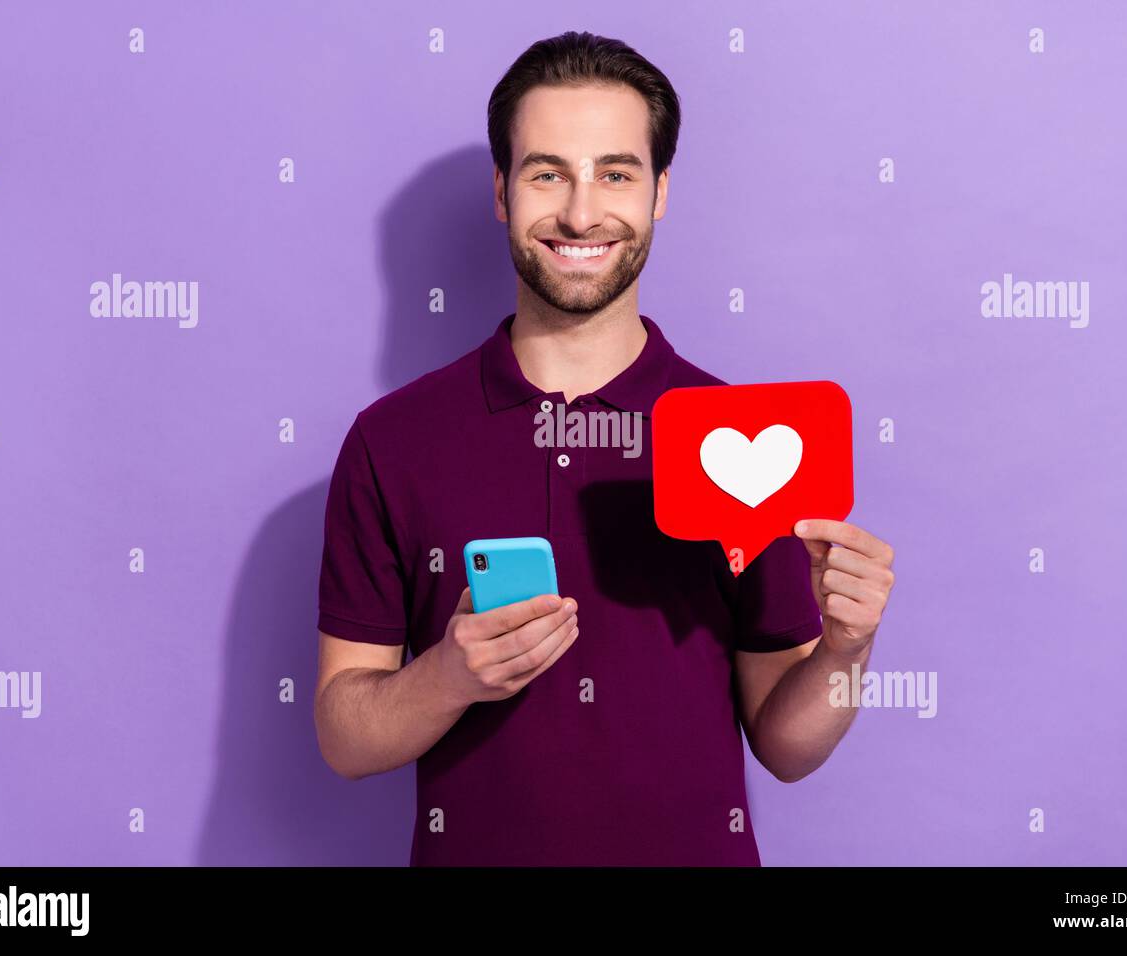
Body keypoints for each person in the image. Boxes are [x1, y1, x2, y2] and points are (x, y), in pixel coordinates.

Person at [314, 30, 895, 866]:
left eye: (615, 173)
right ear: (501, 192)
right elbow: (343, 736)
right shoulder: (392, 440)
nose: (581, 213)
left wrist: (848, 651)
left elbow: (788, 747)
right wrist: (447, 677)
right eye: (548, 172)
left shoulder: (745, 441)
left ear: (659, 192)